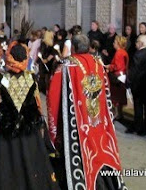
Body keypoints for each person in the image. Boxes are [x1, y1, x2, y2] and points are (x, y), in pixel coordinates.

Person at [48, 35, 126, 189]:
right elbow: (106, 91)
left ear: (74, 49)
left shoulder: (66, 66)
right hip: (98, 119)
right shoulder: (98, 63)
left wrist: (54, 131)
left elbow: (53, 96)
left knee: (80, 155)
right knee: (101, 150)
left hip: (79, 122)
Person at [0, 42, 59, 190]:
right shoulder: (31, 79)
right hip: (29, 131)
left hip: (6, 132)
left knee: (7, 161)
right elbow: (37, 105)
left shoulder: (0, 79)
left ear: (9, 57)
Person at [127, 35, 146, 135]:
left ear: (141, 43)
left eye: (137, 42)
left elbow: (134, 71)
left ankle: (138, 127)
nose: (135, 44)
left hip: (138, 84)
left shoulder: (138, 54)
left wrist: (128, 81)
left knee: (138, 106)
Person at [105, 36, 129, 120]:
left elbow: (117, 66)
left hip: (117, 77)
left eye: (115, 42)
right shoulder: (124, 52)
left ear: (118, 44)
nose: (113, 43)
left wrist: (109, 66)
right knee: (120, 96)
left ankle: (115, 114)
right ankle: (120, 114)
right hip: (122, 76)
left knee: (115, 97)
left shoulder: (119, 53)